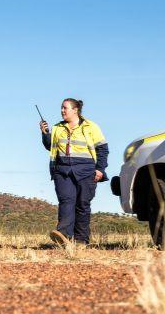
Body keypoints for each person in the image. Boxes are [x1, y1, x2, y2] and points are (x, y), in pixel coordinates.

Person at [39, 98, 108, 246]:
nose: (62, 110)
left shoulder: (91, 127)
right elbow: (50, 146)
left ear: (75, 110)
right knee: (66, 201)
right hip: (62, 171)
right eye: (61, 108)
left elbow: (102, 149)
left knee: (82, 204)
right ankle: (63, 235)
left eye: (65, 108)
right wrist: (45, 133)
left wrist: (100, 169)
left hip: (86, 170)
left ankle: (81, 240)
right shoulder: (57, 127)